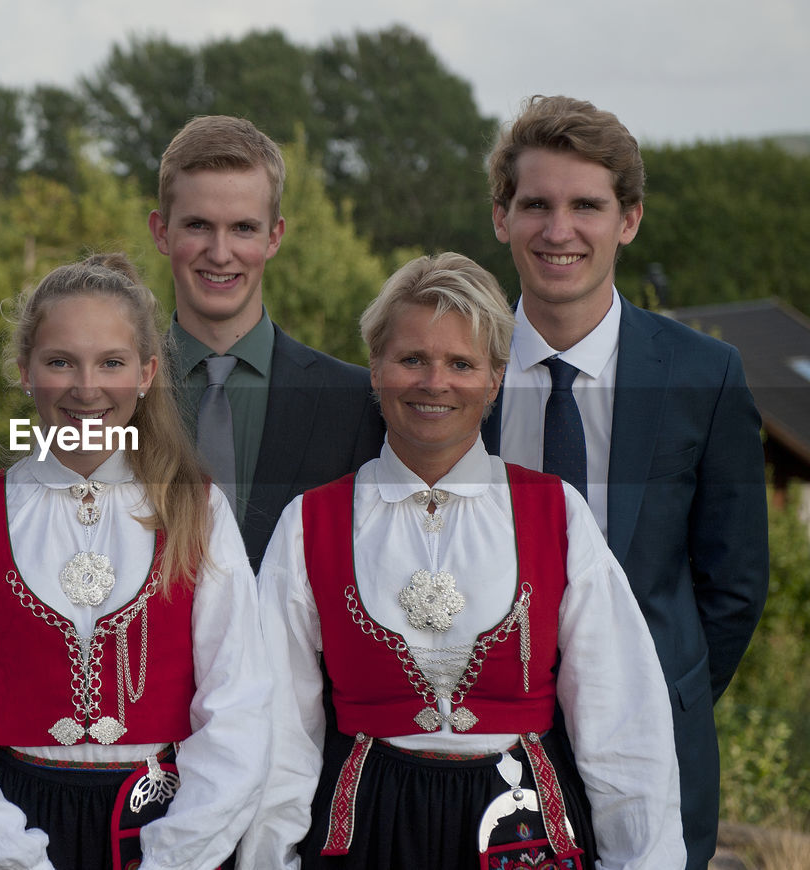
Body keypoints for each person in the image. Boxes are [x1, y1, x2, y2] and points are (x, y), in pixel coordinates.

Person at [241, 253, 685, 869]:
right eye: (412, 359)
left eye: (461, 363)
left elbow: (622, 718)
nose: (434, 382)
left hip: (521, 828)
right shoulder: (308, 524)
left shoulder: (557, 514)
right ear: (375, 368)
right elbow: (278, 729)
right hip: (369, 829)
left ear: (496, 378)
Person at [0, 253, 271, 870]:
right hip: (11, 823)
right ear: (24, 371)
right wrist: (6, 855)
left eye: (112, 363)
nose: (86, 387)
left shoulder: (197, 511)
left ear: (147, 373)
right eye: (60, 361)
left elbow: (239, 706)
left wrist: (175, 855)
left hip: (163, 823)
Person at [482, 95, 768, 869]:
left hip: (656, 767)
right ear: (502, 217)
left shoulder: (704, 376)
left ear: (629, 219)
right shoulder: (450, 371)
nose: (559, 229)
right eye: (536, 204)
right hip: (478, 767)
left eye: (587, 205)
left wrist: (652, 703)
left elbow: (734, 585)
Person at [147, 115, 384, 570]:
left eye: (243, 228)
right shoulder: (112, 397)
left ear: (274, 236)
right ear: (162, 232)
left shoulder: (355, 404)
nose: (219, 253)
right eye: (197, 225)